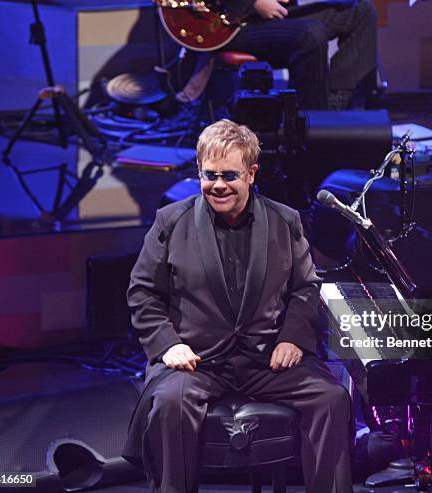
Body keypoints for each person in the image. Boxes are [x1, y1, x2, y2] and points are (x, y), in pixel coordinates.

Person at [123, 119, 353, 493]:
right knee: (169, 404)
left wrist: (292, 338)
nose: (217, 185)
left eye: (229, 175)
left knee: (332, 399)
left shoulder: (285, 220)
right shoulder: (170, 221)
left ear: (251, 173)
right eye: (209, 175)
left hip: (266, 359)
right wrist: (169, 345)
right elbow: (143, 292)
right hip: (197, 361)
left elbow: (306, 287)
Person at [223, 0, 380, 109]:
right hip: (230, 24)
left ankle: (334, 109)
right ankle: (310, 121)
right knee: (310, 34)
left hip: (277, 15)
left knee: (361, 11)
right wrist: (253, 3)